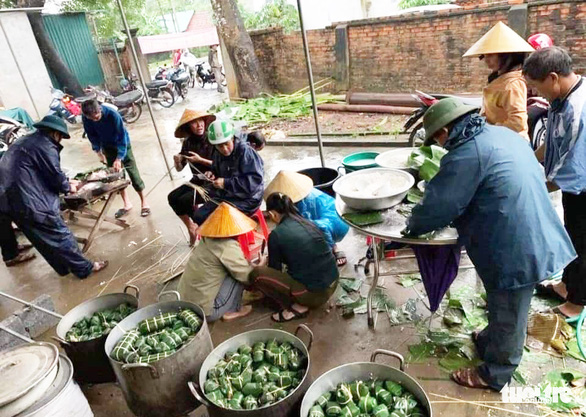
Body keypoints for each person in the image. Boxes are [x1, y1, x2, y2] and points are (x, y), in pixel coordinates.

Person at [405, 98, 575, 391]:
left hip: (517, 244)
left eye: (437, 137)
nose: (439, 143)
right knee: (500, 299)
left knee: (510, 308)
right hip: (528, 225)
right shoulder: (501, 134)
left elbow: (440, 205)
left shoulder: (466, 154)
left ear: (446, 130)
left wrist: (413, 225)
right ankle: (489, 341)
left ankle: (495, 373)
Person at [0, 115, 108, 278]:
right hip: (30, 202)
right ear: (55, 133)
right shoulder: (45, 146)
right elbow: (54, 175)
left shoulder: (26, 141)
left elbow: (37, 171)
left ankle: (63, 268)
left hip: (10, 201)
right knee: (60, 233)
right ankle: (84, 268)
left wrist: (63, 182)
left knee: (41, 239)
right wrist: (68, 186)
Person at [523, 47, 586, 319]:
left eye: (537, 87)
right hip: (576, 184)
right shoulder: (561, 99)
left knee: (583, 242)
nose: (537, 94)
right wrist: (522, 158)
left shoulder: (578, 108)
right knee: (571, 234)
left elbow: (571, 168)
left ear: (552, 78)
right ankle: (565, 286)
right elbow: (552, 144)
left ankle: (577, 303)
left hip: (582, 184)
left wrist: (531, 187)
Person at [250, 193, 339, 322]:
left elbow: (275, 270)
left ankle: (297, 306)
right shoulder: (307, 222)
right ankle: (304, 298)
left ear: (272, 214)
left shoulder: (276, 235)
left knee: (257, 274)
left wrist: (262, 263)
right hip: (334, 282)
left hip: (315, 295)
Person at [178, 203, 254, 322]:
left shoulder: (206, 239)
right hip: (205, 312)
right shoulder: (227, 247)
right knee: (239, 275)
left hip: (185, 302)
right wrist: (257, 267)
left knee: (231, 268)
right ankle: (234, 310)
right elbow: (247, 276)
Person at [463, 21, 535, 139]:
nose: (486, 60)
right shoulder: (500, 79)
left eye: (491, 55)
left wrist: (490, 127)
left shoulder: (513, 84)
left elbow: (518, 123)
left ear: (507, 56)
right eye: (485, 56)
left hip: (510, 142)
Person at [81, 98, 150, 219]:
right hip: (107, 146)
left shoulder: (113, 115)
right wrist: (98, 151)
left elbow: (122, 136)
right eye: (92, 118)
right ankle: (127, 204)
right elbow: (91, 135)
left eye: (97, 117)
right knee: (116, 176)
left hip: (123, 145)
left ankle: (144, 202)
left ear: (100, 109)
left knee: (133, 172)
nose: (95, 120)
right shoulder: (86, 118)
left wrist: (119, 158)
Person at [264, 170, 350, 266]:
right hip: (340, 215)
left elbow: (319, 227)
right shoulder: (299, 196)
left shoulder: (302, 205)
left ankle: (331, 250)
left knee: (313, 229)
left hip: (338, 223)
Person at [192, 120, 264, 230]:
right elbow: (217, 169)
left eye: (227, 144)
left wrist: (226, 183)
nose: (224, 149)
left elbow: (254, 182)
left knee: (213, 219)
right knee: (198, 215)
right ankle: (215, 242)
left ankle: (227, 244)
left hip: (248, 198)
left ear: (232, 138)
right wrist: (212, 174)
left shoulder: (246, 152)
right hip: (229, 194)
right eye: (220, 146)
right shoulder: (217, 152)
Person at [168, 109, 216, 245]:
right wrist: (177, 160)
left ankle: (199, 226)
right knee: (172, 197)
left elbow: (220, 164)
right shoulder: (188, 143)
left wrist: (200, 160)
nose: (199, 125)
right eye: (194, 123)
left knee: (185, 200)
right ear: (188, 127)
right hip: (197, 180)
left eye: (201, 121)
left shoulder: (212, 139)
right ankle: (191, 227)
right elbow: (179, 169)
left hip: (213, 181)